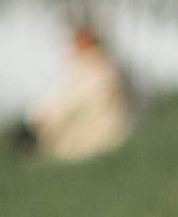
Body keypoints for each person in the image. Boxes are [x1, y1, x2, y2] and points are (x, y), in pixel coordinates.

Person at [18, 22, 136, 162]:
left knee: (57, 145)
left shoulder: (96, 69)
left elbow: (71, 103)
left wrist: (41, 121)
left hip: (103, 129)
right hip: (102, 123)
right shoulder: (101, 66)